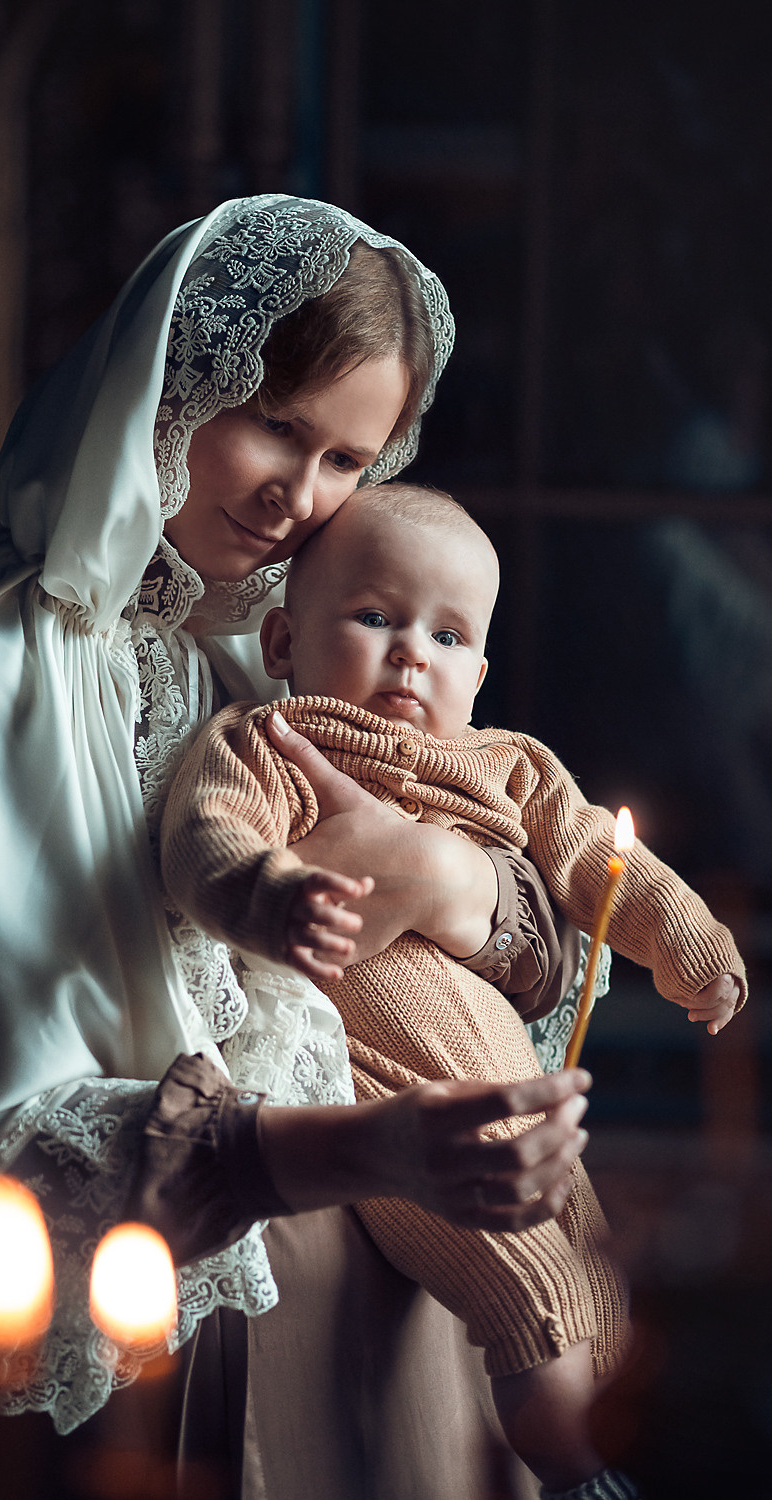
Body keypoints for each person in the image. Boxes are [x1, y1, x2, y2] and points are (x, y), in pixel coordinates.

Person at [0, 197, 594, 1500]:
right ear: (166, 378)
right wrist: (368, 1148)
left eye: (347, 459)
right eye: (276, 424)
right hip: (129, 1381)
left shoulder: (271, 643)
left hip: (401, 1332)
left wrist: (451, 879)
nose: (298, 498)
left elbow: (526, 944)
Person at [160, 481, 748, 1496]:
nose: (409, 655)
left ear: (477, 673)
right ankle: (579, 1479)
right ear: (284, 642)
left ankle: (615, 1461)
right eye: (374, 617)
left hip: (512, 1084)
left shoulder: (509, 767)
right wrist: (271, 896)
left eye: (445, 635)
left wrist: (693, 946)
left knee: (594, 1274)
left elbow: (604, 864)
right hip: (395, 1100)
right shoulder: (275, 742)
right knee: (530, 1291)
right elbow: (204, 837)